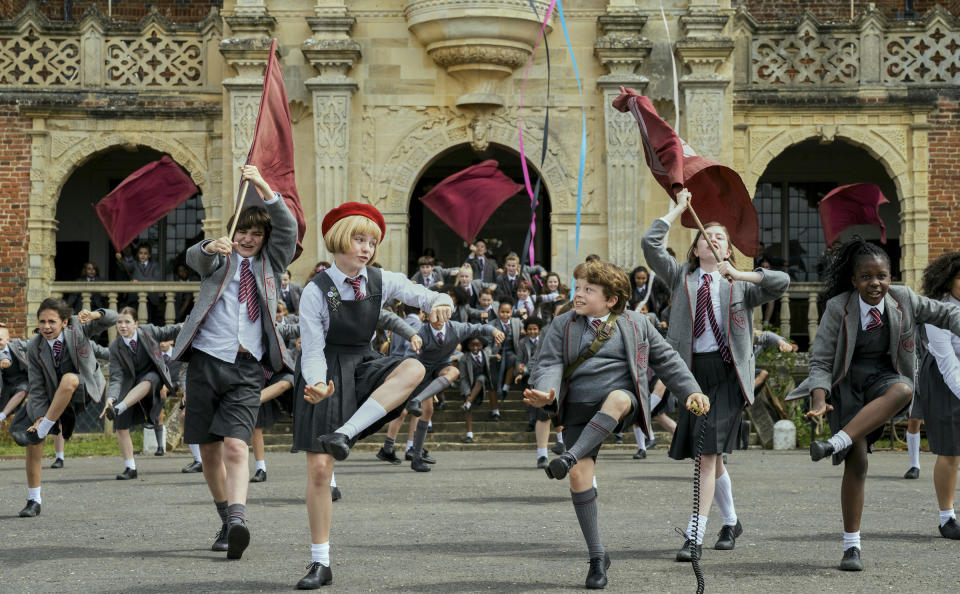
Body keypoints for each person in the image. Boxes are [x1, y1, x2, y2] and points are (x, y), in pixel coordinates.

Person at [293, 202, 452, 588]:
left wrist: (439, 302)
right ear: (337, 241)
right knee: (319, 470)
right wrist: (315, 383)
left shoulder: (381, 280)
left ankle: (346, 433)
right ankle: (321, 563)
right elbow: (312, 348)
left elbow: (420, 293)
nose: (366, 248)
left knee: (414, 367)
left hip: (363, 364)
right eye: (358, 239)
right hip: (325, 370)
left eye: (372, 242)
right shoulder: (316, 291)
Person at [524, 260, 706, 589]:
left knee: (619, 399)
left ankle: (568, 456)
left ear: (611, 299)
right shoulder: (563, 324)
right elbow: (548, 361)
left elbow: (667, 359)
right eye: (576, 287)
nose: (577, 294)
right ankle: (597, 557)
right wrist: (547, 391)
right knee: (580, 477)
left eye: (587, 290)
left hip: (621, 401)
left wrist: (691, 390)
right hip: (578, 405)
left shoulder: (638, 323)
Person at [789, 239, 960, 570]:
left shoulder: (904, 299)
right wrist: (820, 399)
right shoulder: (838, 308)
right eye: (866, 277)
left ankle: (835, 442)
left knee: (904, 390)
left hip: (884, 383)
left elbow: (945, 313)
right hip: (848, 389)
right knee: (858, 463)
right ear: (854, 280)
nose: (875, 284)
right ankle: (851, 547)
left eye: (881, 276)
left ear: (890, 276)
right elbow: (821, 362)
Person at [642, 191, 789, 562]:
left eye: (721, 236)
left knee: (706, 456)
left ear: (726, 250)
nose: (713, 238)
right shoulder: (681, 277)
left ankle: (694, 536)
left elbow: (781, 282)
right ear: (696, 249)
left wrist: (738, 272)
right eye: (706, 236)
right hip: (692, 375)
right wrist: (677, 209)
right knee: (714, 457)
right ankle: (731, 522)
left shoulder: (739, 284)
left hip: (727, 376)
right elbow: (650, 244)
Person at [169, 164, 297, 560]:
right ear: (232, 232)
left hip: (247, 367)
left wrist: (262, 185)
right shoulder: (219, 258)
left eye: (255, 234)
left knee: (236, 446)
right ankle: (225, 518)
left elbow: (288, 230)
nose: (247, 238)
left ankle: (239, 519)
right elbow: (194, 257)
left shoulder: (270, 263)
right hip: (206, 362)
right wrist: (211, 246)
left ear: (264, 240)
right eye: (242, 232)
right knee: (208, 450)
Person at [9, 299, 116, 517]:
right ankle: (33, 500)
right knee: (33, 442)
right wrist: (39, 417)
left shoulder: (77, 327)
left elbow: (113, 318)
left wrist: (94, 315)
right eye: (42, 322)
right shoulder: (34, 347)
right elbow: (37, 388)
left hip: (82, 388)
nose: (46, 326)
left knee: (68, 379)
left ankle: (46, 424)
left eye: (51, 321)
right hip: (52, 399)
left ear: (64, 322)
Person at [404, 315, 503, 471]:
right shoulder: (420, 331)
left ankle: (417, 400)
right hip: (421, 371)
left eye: (441, 315)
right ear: (428, 316)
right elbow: (409, 357)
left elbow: (479, 328)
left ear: (447, 315)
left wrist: (494, 330)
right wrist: (417, 383)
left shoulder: (456, 328)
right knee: (427, 411)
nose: (438, 319)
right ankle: (416, 458)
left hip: (441, 368)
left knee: (454, 371)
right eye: (434, 315)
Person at [912, 251, 960, 539]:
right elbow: (947, 364)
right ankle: (947, 518)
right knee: (951, 450)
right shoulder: (938, 311)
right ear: (948, 281)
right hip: (943, 378)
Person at [100, 307, 180, 480]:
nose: (122, 326)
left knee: (149, 379)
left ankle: (119, 407)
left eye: (127, 322)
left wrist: (193, 321)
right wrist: (111, 398)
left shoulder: (149, 331)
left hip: (153, 380)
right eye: (119, 322)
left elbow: (172, 330)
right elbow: (116, 377)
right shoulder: (116, 348)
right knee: (121, 427)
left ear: (136, 324)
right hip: (129, 387)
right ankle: (130, 468)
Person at [515, 317, 550, 467]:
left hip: (548, 373)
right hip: (531, 375)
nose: (533, 331)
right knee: (533, 400)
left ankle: (561, 442)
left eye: (535, 329)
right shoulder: (523, 343)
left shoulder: (547, 338)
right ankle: (531, 419)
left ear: (540, 329)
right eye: (530, 329)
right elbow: (521, 359)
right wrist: (520, 369)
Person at [488, 297, 522, 419]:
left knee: (514, 359)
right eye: (502, 312)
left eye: (507, 312)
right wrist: (492, 353)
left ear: (511, 312)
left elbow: (523, 334)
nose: (505, 314)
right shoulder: (491, 324)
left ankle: (506, 386)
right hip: (496, 354)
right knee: (493, 381)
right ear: (498, 312)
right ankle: (495, 410)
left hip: (510, 352)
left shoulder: (517, 322)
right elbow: (487, 344)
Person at [458, 336, 496, 443]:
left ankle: (467, 403)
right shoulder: (464, 358)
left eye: (477, 345)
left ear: (481, 345)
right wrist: (467, 392)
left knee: (481, 378)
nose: (475, 347)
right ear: (468, 346)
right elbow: (463, 377)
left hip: (482, 383)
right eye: (472, 345)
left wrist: (496, 356)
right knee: (468, 408)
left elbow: (491, 357)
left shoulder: (485, 354)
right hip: (469, 384)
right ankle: (469, 435)